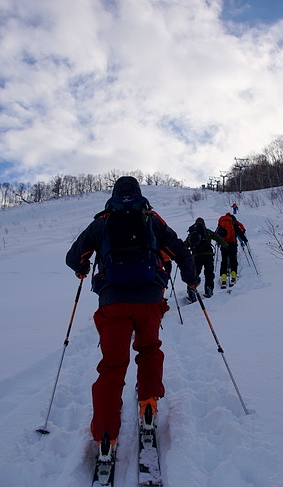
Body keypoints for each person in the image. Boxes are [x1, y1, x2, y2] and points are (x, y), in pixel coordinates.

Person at [65, 176, 198, 453]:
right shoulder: (152, 220)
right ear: (139, 194)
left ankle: (105, 434)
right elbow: (181, 252)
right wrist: (191, 279)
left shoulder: (102, 221)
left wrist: (82, 268)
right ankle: (148, 405)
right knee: (148, 350)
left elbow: (74, 256)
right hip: (150, 298)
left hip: (112, 300)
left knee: (112, 364)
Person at [184, 217, 228, 299]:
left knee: (195, 274)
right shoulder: (207, 231)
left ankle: (191, 291)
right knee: (209, 273)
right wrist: (226, 245)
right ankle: (209, 289)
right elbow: (218, 238)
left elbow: (185, 245)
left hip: (196, 256)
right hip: (208, 255)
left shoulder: (192, 233)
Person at [215, 212, 247, 288]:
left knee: (224, 260)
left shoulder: (221, 222)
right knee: (233, 259)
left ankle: (223, 277)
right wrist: (245, 239)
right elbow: (239, 232)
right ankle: (233, 275)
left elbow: (218, 232)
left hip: (223, 243)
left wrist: (218, 242)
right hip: (232, 243)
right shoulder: (233, 222)